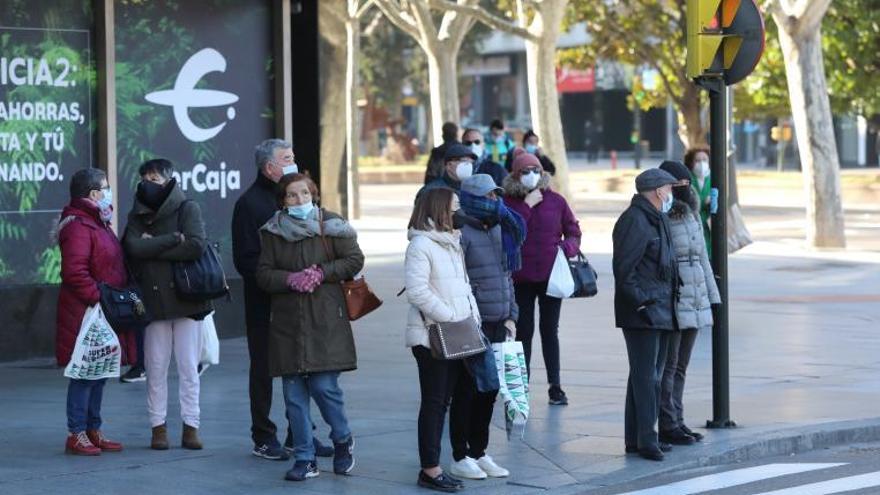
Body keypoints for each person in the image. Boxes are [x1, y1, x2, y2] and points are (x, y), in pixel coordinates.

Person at [256, 173, 363, 482]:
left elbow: (354, 260)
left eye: (304, 193)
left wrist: (322, 272)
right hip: (288, 323)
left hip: (326, 320)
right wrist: (288, 279)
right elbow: (263, 274)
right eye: (292, 195)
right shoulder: (272, 231)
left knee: (324, 387)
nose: (299, 200)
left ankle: (342, 440)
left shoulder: (332, 224)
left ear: (314, 195)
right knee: (293, 395)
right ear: (282, 201)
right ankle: (305, 457)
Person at [232, 139, 333, 460]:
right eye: (286, 159)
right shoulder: (249, 204)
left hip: (301, 303)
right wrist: (282, 279)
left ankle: (300, 435)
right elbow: (246, 260)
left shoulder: (298, 200)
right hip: (266, 303)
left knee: (302, 368)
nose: (293, 163)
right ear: (269, 168)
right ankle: (263, 436)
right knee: (263, 371)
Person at [123, 158, 211, 451]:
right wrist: (173, 239)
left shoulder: (188, 208)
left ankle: (191, 427)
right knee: (155, 368)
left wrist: (154, 246)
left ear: (170, 179)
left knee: (189, 368)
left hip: (187, 299)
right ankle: (157, 428)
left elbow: (196, 245)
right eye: (146, 176)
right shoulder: (137, 214)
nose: (150, 181)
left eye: (156, 177)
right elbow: (133, 247)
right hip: (153, 302)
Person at [448, 174, 525, 481]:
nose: (494, 202)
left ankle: (479, 451)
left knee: (491, 390)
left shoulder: (501, 227)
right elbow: (460, 281)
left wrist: (512, 315)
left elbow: (509, 277)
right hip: (472, 323)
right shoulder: (461, 231)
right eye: (488, 196)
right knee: (466, 390)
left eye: (496, 195)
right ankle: (460, 454)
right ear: (471, 198)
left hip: (499, 321)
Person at [56, 168, 135, 455]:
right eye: (105, 187)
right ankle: (76, 433)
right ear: (93, 194)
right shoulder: (79, 225)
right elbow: (74, 272)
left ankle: (93, 429)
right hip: (87, 311)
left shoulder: (98, 222)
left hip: (103, 309)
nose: (109, 192)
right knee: (84, 373)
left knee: (99, 370)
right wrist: (98, 298)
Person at [405, 188, 479, 492]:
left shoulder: (452, 242)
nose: (459, 211)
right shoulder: (422, 244)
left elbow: (463, 286)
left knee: (455, 397)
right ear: (438, 209)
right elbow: (417, 291)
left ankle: (449, 460)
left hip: (459, 332)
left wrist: (473, 319)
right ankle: (430, 469)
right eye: (454, 206)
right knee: (435, 403)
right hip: (433, 336)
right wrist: (450, 316)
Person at [611, 167, 680, 461]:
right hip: (644, 311)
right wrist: (641, 304)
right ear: (659, 191)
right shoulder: (635, 221)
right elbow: (624, 270)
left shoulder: (657, 218)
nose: (672, 194)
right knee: (645, 376)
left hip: (661, 308)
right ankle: (647, 440)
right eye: (669, 188)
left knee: (645, 376)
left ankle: (637, 438)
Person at [502, 151, 581, 406]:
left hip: (551, 276)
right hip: (521, 277)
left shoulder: (556, 201)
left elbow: (573, 230)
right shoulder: (508, 203)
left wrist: (566, 248)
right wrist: (527, 206)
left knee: (550, 331)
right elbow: (509, 233)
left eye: (535, 170)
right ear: (516, 175)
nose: (531, 175)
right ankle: (521, 387)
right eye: (525, 171)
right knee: (523, 332)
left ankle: (555, 385)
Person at [657, 161, 720, 445]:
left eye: (686, 183)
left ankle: (678, 420)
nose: (684, 188)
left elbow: (703, 260)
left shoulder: (692, 215)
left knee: (681, 366)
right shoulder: (662, 215)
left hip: (695, 299)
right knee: (669, 365)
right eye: (678, 184)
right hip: (676, 299)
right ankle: (667, 422)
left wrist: (713, 296)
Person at [683, 147, 712, 255]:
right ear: (691, 162)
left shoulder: (715, 178)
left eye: (704, 160)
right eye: (697, 160)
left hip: (709, 226)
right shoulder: (687, 180)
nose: (701, 164)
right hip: (692, 225)